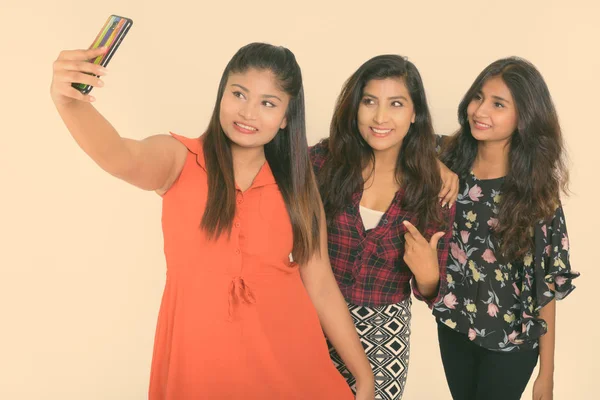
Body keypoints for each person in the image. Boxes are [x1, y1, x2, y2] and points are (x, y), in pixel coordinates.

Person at [50, 42, 375, 399]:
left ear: (285, 118)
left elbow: (322, 286)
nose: (248, 112)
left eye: (268, 103)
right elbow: (120, 156)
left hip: (289, 369)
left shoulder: (298, 188)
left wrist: (364, 376)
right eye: (239, 94)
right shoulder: (179, 158)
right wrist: (70, 103)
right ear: (222, 94)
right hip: (200, 367)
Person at [310, 54, 456, 400]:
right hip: (311, 318)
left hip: (383, 329)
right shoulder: (321, 163)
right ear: (354, 107)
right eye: (369, 101)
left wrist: (427, 275)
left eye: (396, 104)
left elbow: (436, 292)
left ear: (414, 113)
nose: (380, 117)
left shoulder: (433, 189)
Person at [434, 57, 580, 400]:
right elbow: (398, 138)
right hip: (454, 326)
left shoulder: (537, 192)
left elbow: (544, 286)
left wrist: (547, 372)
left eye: (498, 104)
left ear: (524, 117)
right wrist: (436, 166)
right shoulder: (448, 157)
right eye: (478, 97)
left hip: (512, 342)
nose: (480, 110)